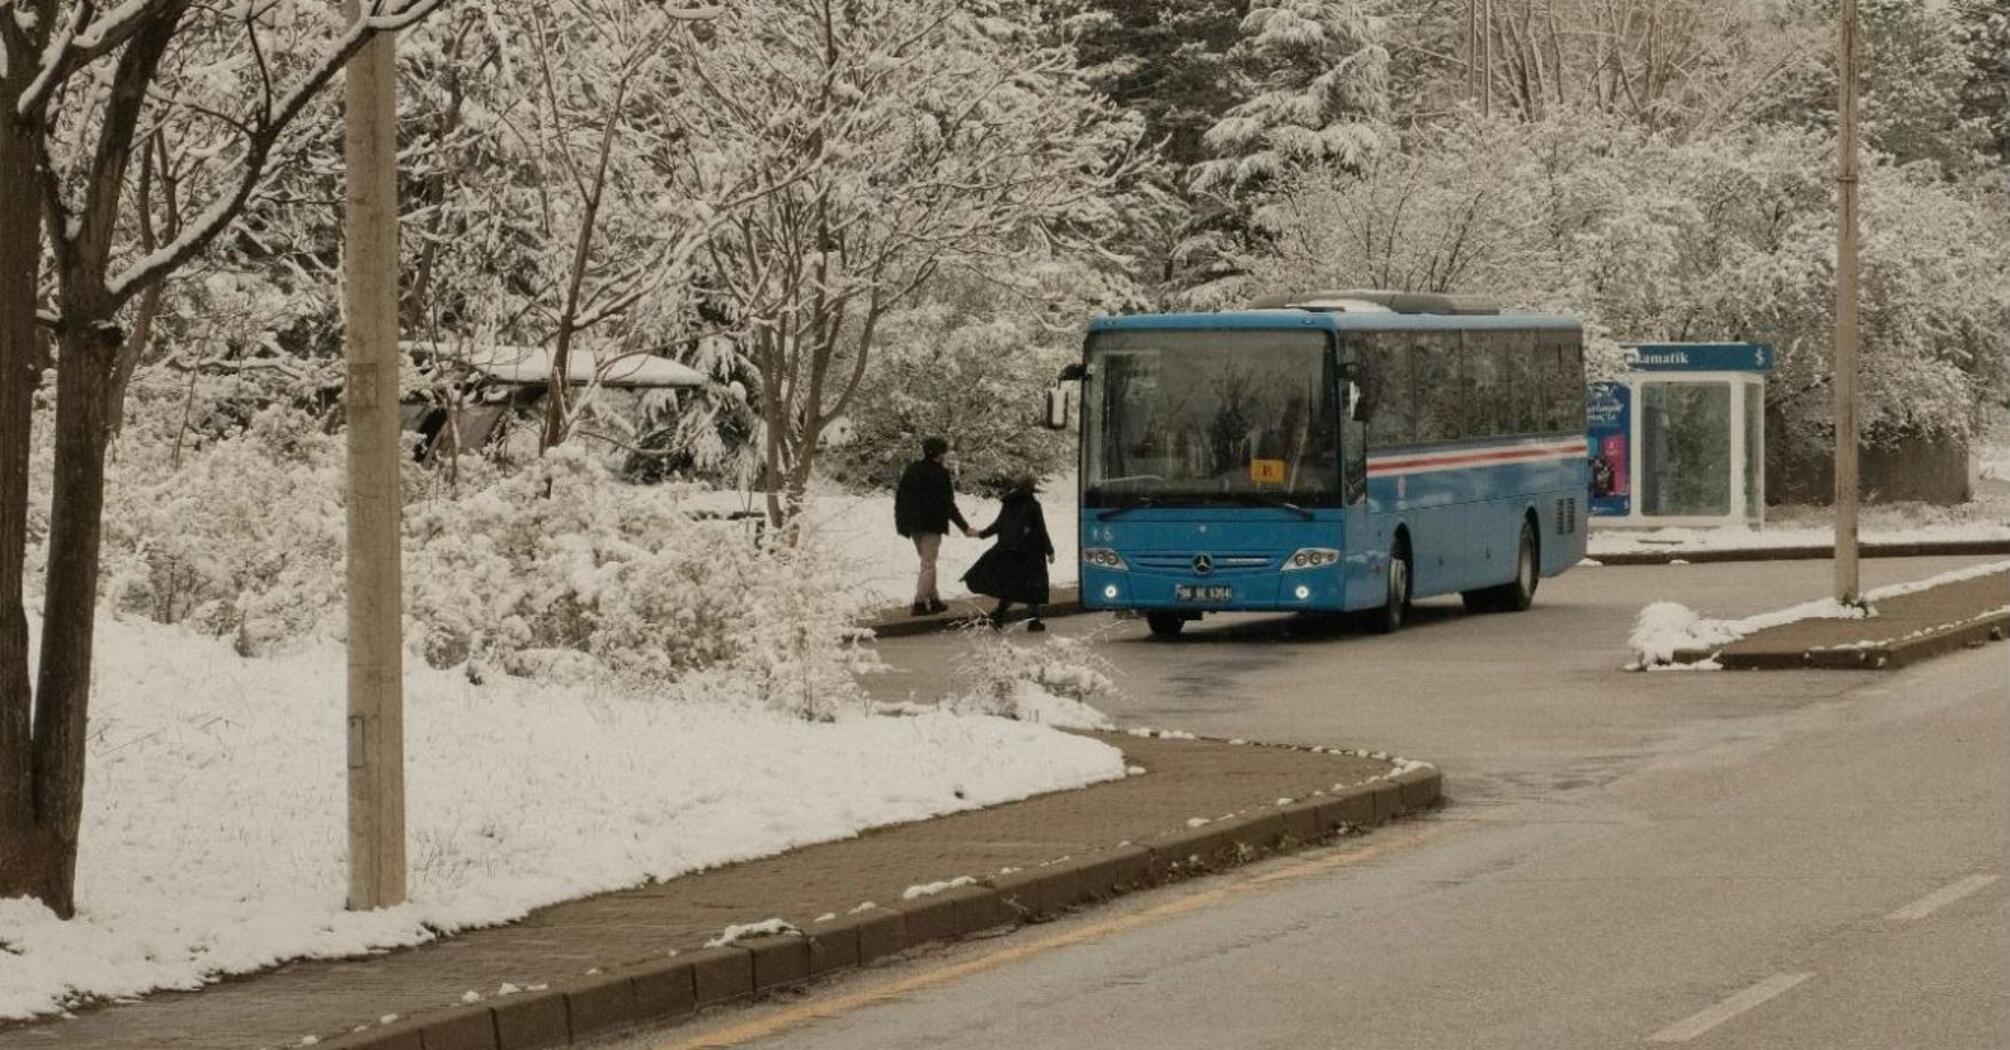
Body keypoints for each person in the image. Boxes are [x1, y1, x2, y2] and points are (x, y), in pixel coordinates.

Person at [962, 473, 1055, 632]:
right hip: (1030, 553)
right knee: (1032, 587)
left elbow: (998, 525)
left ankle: (999, 616)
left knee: (1013, 585)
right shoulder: (1033, 506)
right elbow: (1041, 530)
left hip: (1009, 551)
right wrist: (1050, 551)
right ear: (1030, 488)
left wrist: (981, 534)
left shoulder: (1009, 503)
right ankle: (1033, 622)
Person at [894, 436, 973, 616]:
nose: (945, 455)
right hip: (932, 525)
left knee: (927, 562)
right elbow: (948, 505)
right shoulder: (941, 474)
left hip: (914, 525)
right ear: (938, 454)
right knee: (928, 564)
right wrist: (964, 527)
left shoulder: (912, 470)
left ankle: (934, 600)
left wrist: (902, 524)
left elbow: (901, 499)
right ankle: (919, 603)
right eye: (943, 452)